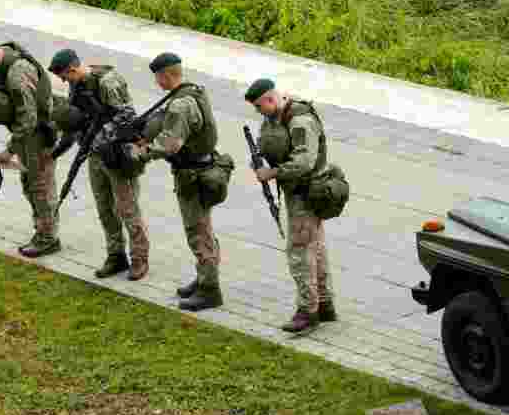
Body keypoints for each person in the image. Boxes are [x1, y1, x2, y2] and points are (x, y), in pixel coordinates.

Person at [130, 52, 224, 311]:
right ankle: (204, 278)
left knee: (198, 232)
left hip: (192, 175)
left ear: (166, 75)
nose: (157, 83)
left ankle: (210, 291)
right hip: (201, 169)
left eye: (158, 77)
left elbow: (170, 144)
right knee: (203, 230)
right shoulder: (194, 91)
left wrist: (142, 152)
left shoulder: (180, 104)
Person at [49, 48, 151, 280]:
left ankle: (139, 258)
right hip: (95, 155)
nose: (64, 81)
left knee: (128, 209)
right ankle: (116, 255)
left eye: (65, 76)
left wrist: (99, 137)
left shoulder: (108, 82)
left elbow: (127, 116)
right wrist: (63, 148)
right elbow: (78, 118)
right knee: (105, 208)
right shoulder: (78, 85)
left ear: (72, 69)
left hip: (116, 155)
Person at [245, 78, 336, 332]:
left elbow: (304, 162)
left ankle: (307, 311)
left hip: (306, 194)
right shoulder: (277, 117)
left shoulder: (300, 120)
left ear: (270, 99)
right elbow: (275, 146)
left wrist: (272, 173)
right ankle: (324, 304)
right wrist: (261, 161)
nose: (258, 112)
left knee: (299, 252)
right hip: (298, 192)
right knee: (314, 248)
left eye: (259, 106)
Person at [0, 36, 60, 257]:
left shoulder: (17, 73)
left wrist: (10, 150)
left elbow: (29, 118)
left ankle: (48, 238)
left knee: (39, 186)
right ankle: (42, 230)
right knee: (30, 183)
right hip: (28, 133)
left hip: (37, 132)